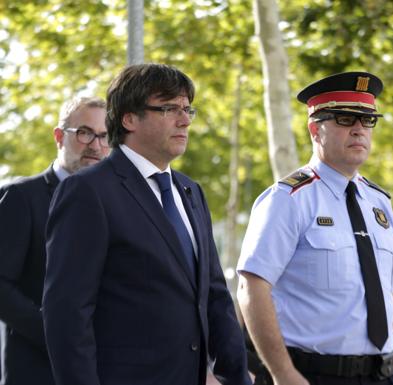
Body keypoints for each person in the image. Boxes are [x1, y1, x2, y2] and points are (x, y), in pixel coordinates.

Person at [42, 64, 251, 385]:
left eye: (187, 109)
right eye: (169, 108)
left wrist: (237, 377)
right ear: (129, 118)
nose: (184, 120)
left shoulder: (190, 191)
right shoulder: (88, 191)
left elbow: (215, 295)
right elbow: (68, 313)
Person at [237, 72, 393, 385]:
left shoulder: (379, 203)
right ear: (315, 130)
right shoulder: (288, 199)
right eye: (346, 119)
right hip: (314, 375)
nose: (359, 129)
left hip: (387, 376)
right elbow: (252, 288)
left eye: (368, 120)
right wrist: (284, 375)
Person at [0, 96, 109, 385]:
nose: (96, 145)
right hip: (39, 371)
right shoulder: (21, 198)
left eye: (104, 136)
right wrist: (58, 335)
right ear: (59, 137)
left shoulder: (114, 204)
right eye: (85, 133)